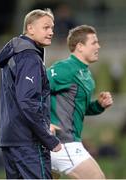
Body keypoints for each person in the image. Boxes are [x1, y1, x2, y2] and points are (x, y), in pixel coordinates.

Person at [0, 9, 61, 179]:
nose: (51, 32)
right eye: (46, 27)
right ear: (30, 28)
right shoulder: (29, 57)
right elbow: (27, 102)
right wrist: (48, 138)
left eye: (52, 28)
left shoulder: (14, 55)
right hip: (28, 142)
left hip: (10, 139)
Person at [47, 25, 113, 179]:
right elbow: (33, 91)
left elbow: (79, 108)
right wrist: (43, 123)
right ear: (80, 47)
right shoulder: (65, 68)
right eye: (94, 42)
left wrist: (98, 106)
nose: (99, 46)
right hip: (62, 142)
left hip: (66, 142)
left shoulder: (87, 76)